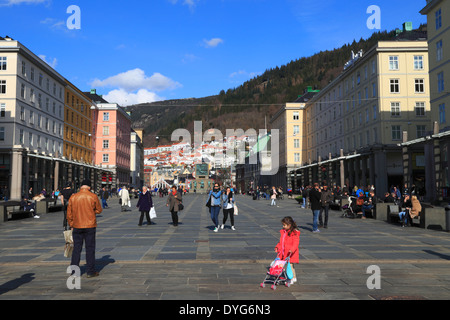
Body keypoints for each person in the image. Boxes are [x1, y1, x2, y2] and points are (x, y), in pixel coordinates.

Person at [66, 179, 103, 278]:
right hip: (90, 225)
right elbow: (99, 210)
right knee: (90, 248)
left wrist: (71, 224)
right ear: (89, 187)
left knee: (76, 249)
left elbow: (69, 214)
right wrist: (92, 211)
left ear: (81, 187)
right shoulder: (93, 196)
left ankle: (74, 272)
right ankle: (90, 272)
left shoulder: (73, 197)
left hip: (77, 225)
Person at [274, 216, 300, 285]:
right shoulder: (284, 232)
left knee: (290, 266)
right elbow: (281, 242)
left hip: (291, 253)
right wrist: (277, 247)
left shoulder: (294, 233)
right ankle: (293, 277)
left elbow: (296, 243)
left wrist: (292, 249)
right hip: (284, 252)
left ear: (289, 225)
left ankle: (290, 278)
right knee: (289, 266)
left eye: (284, 225)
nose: (283, 226)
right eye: (283, 225)